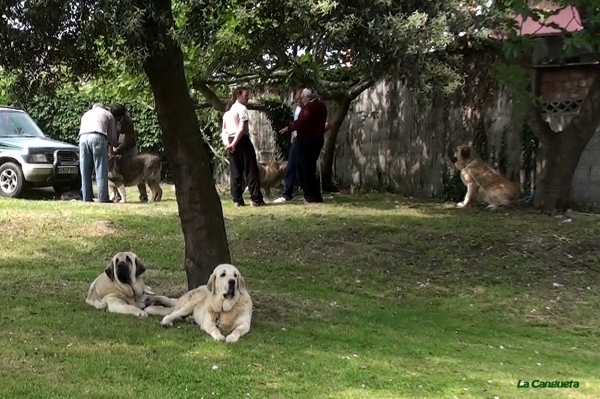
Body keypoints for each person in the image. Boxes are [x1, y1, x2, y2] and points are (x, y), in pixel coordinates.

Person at [279, 89, 328, 203]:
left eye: (303, 98)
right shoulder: (322, 106)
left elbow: (302, 122)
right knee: (310, 167)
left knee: (305, 168)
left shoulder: (309, 108)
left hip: (307, 140)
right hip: (318, 139)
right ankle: (315, 195)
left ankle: (310, 195)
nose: (302, 100)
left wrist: (290, 127)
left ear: (308, 97)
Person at [223, 87, 266, 207]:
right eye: (246, 95)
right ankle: (256, 199)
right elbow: (241, 129)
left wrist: (228, 144)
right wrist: (234, 143)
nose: (248, 97)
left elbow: (225, 131)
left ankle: (237, 199)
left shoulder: (228, 112)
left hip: (231, 141)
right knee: (251, 169)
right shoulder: (242, 109)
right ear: (239, 95)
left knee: (235, 171)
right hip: (241, 140)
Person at [78, 103, 119, 202]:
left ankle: (86, 197)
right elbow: (112, 136)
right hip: (98, 137)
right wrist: (113, 148)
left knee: (85, 170)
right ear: (104, 107)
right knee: (100, 168)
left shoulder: (86, 114)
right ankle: (103, 197)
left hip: (82, 139)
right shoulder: (108, 114)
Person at [109, 104, 149, 203]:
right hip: (116, 146)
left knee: (137, 168)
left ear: (121, 115)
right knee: (115, 171)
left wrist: (117, 149)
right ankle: (117, 196)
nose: (115, 118)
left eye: (117, 117)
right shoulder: (111, 118)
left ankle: (143, 196)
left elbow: (128, 139)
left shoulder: (128, 121)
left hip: (129, 147)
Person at [274, 89, 303, 204]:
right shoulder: (297, 108)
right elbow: (295, 124)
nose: (295, 97)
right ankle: (289, 193)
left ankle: (288, 194)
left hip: (301, 140)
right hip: (296, 140)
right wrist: (292, 134)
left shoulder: (305, 109)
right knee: (293, 166)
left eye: (296, 94)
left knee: (295, 167)